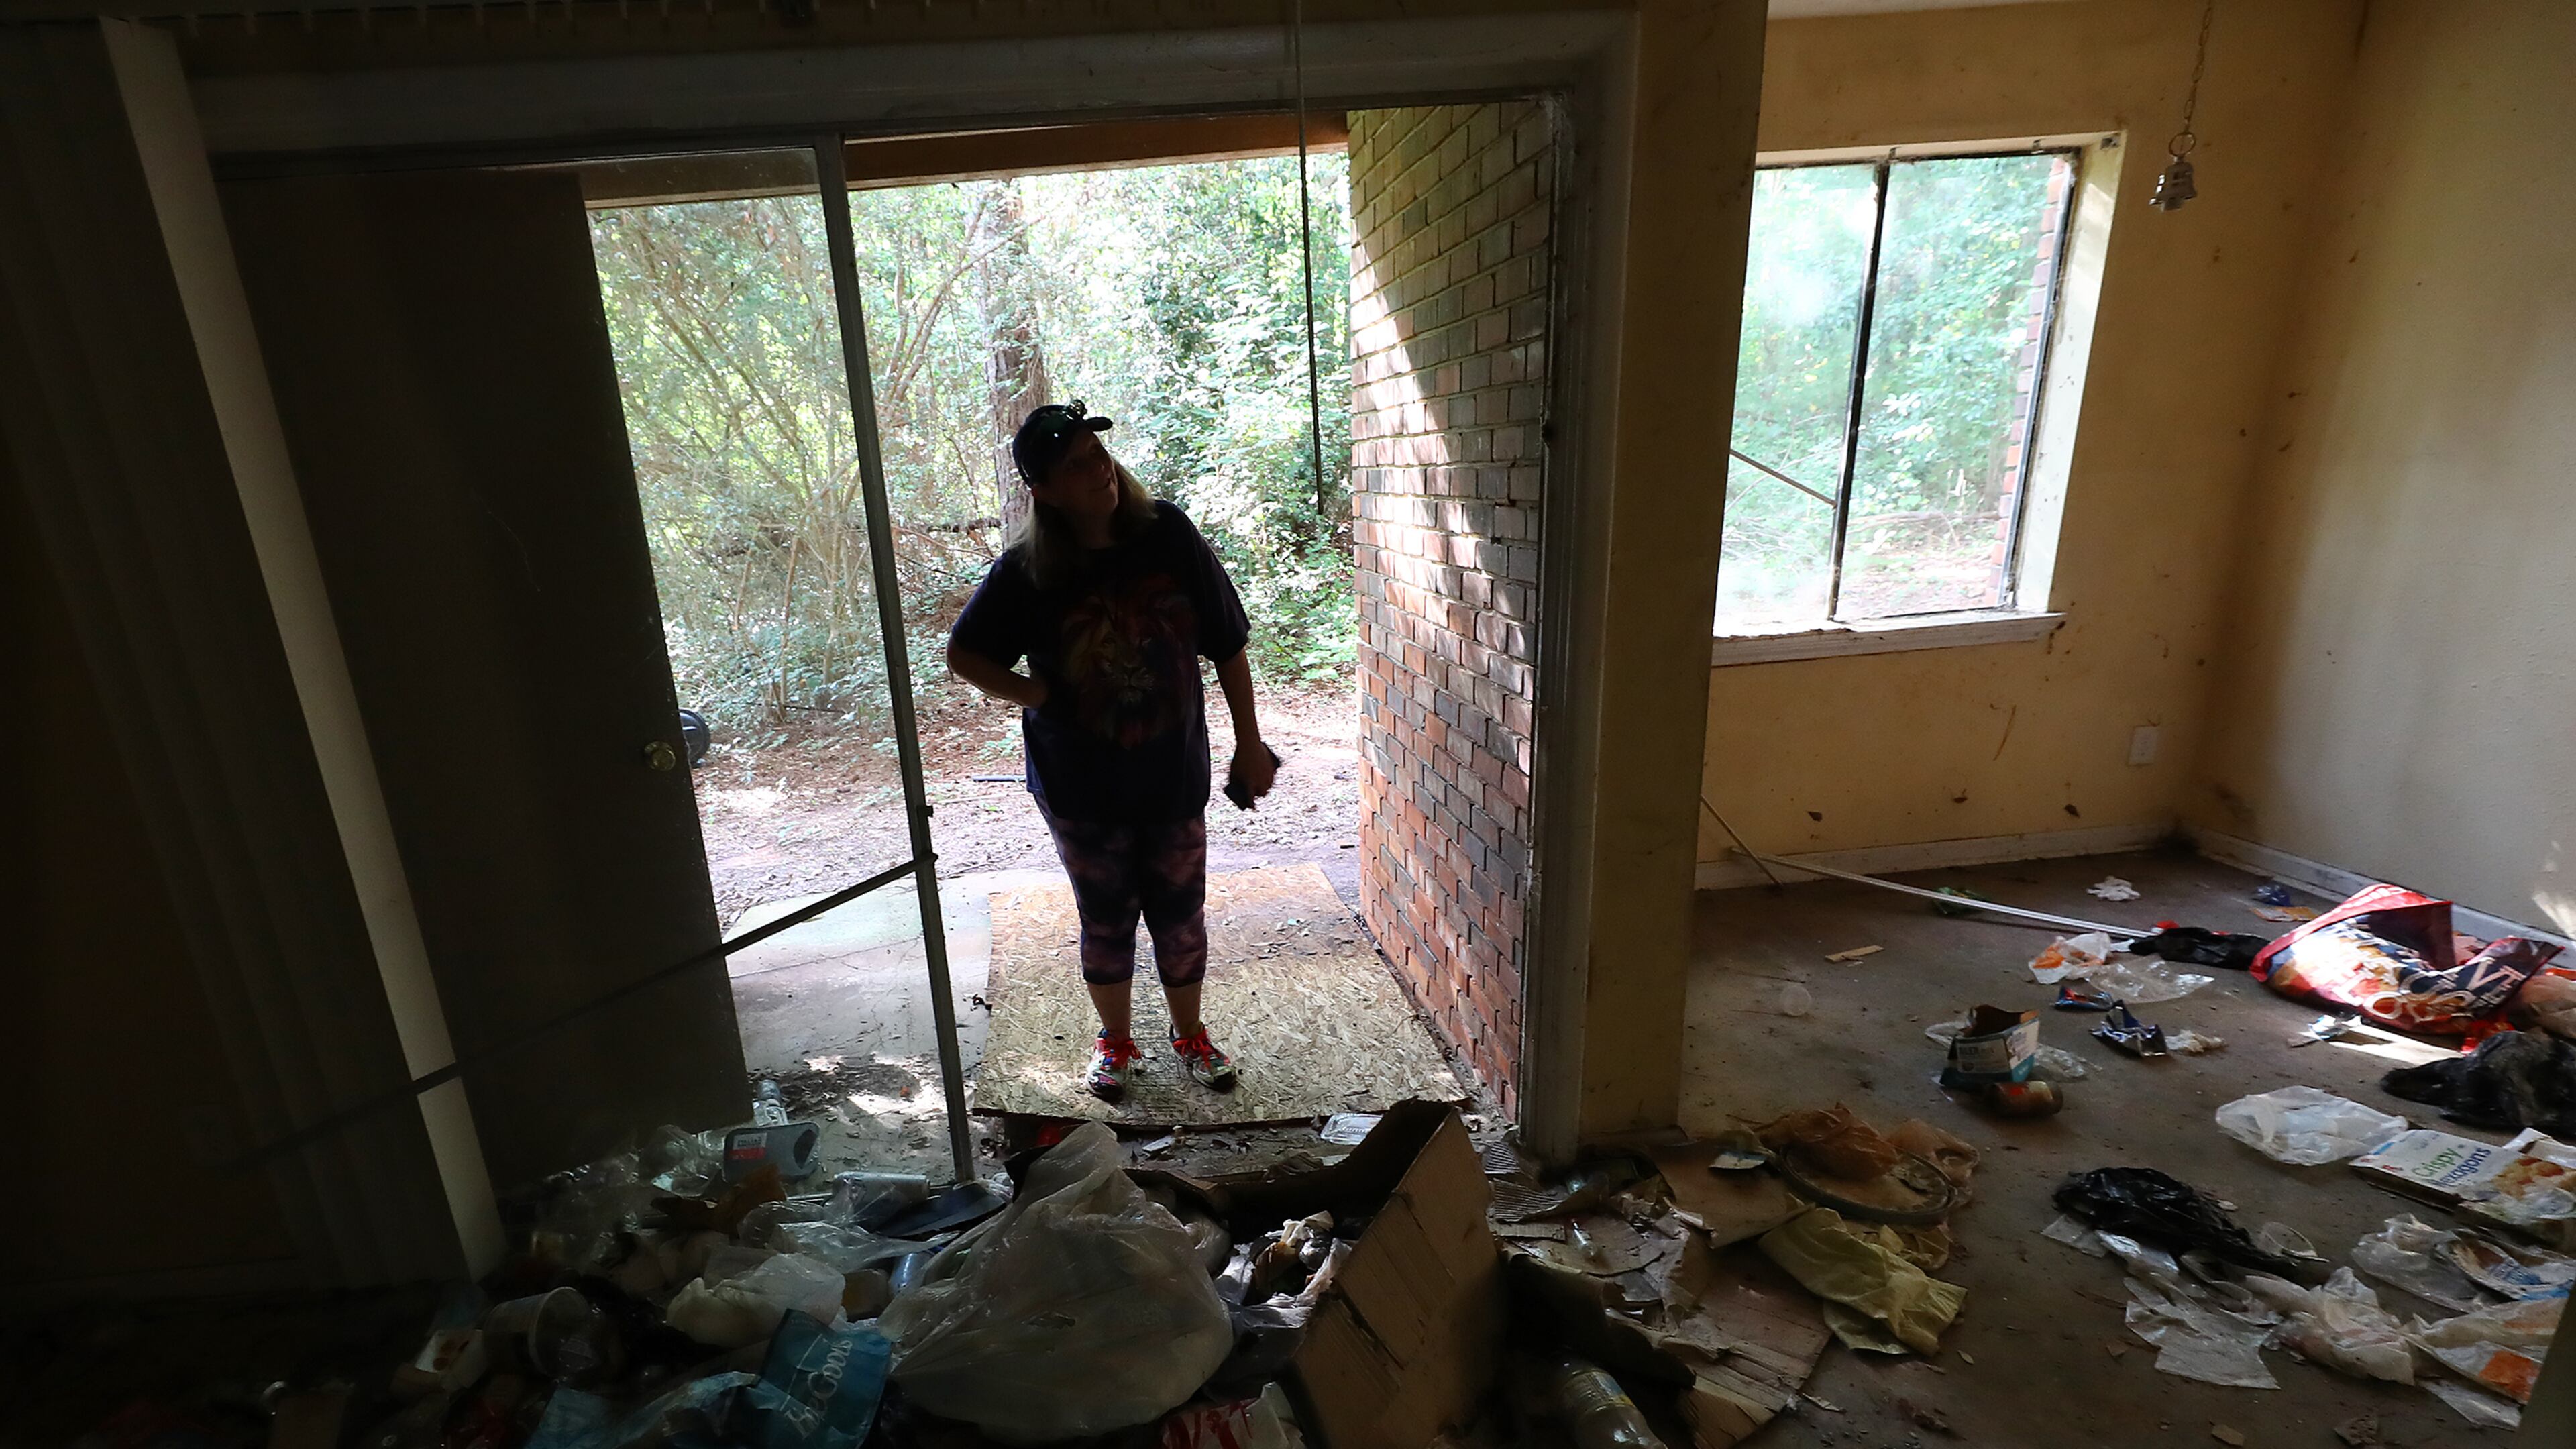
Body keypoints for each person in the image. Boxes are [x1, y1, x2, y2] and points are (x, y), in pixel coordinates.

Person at [946, 400, 1277, 1102]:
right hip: (1079, 784)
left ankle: (1191, 1036)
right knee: (1107, 915)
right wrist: (1037, 696)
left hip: (1172, 770)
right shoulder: (1030, 570)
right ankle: (1116, 1044)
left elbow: (1229, 642)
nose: (1098, 469)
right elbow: (965, 655)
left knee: (1180, 911)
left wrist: (1250, 742)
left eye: (1098, 454)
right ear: (1043, 489)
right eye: (1075, 465)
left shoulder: (1169, 535)